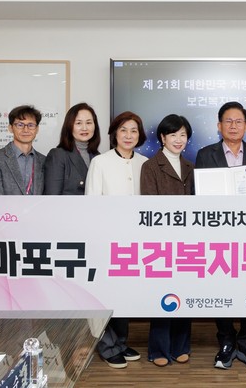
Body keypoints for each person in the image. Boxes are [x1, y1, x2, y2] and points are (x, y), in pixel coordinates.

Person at [194, 101, 246, 371]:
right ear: (219, 125)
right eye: (228, 121)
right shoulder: (205, 154)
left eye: (238, 121)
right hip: (219, 233)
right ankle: (225, 340)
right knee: (220, 287)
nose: (233, 126)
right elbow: (197, 195)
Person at [85, 110, 148, 369]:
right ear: (114, 134)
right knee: (104, 295)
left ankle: (120, 343)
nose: (128, 135)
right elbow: (91, 204)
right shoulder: (100, 162)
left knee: (124, 295)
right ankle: (107, 345)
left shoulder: (145, 163)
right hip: (106, 239)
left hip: (134, 242)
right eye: (123, 130)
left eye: (134, 130)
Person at [140, 114, 195, 368]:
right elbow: (150, 207)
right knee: (163, 296)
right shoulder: (151, 166)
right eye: (173, 134)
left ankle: (181, 346)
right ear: (163, 137)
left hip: (188, 242)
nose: (178, 139)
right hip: (161, 241)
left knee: (185, 294)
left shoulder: (190, 167)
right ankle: (158, 349)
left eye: (183, 135)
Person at [0, 105, 46, 195]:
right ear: (10, 128)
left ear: (37, 129)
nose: (26, 130)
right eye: (20, 125)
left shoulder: (44, 161)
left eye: (31, 125)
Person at [44, 103, 100, 195]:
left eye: (89, 123)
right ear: (69, 126)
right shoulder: (58, 155)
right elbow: (52, 197)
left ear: (95, 126)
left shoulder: (98, 157)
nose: (84, 128)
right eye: (78, 123)